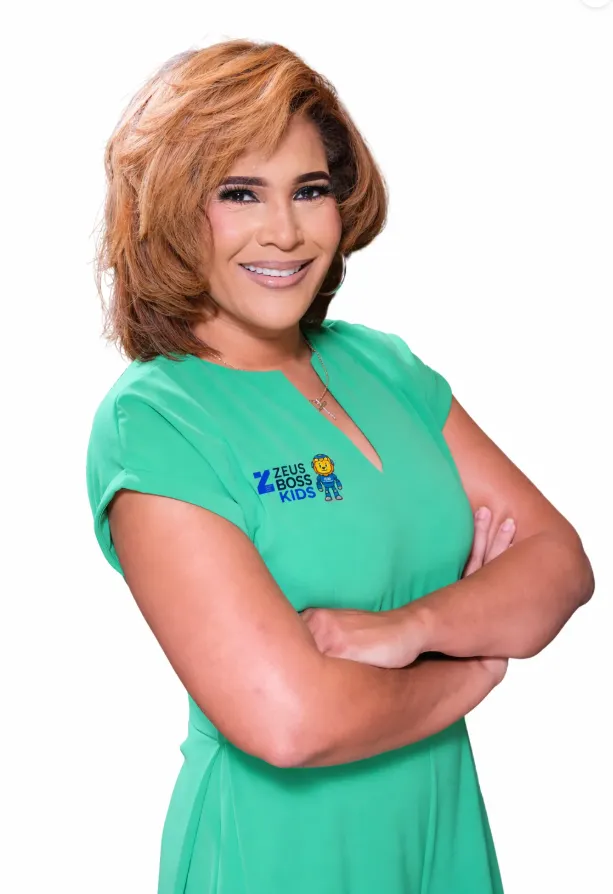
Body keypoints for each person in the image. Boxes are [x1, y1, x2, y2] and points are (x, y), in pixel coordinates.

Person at [85, 39, 594, 894]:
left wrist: (414, 630)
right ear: (174, 210)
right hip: (279, 853)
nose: (284, 231)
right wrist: (471, 667)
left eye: (308, 190)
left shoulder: (381, 366)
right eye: (239, 193)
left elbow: (560, 565)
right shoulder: (156, 423)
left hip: (438, 827)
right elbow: (289, 723)